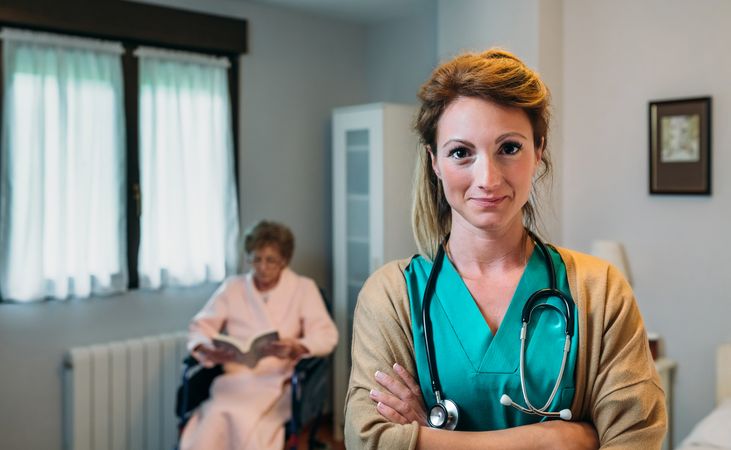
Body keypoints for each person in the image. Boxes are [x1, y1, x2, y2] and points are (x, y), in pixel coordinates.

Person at [344, 49, 666, 449]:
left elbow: (635, 439)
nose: (487, 178)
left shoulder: (599, 291)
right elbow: (368, 440)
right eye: (461, 152)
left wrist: (426, 437)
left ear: (538, 152)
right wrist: (555, 439)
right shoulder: (392, 295)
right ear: (434, 162)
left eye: (509, 148)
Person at [180, 220, 338, 450]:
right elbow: (199, 328)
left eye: (270, 260)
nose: (262, 267)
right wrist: (206, 347)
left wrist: (298, 346)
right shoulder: (232, 287)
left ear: (284, 260)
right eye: (256, 259)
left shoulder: (303, 288)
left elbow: (326, 335)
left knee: (248, 422)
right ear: (248, 258)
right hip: (235, 379)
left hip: (278, 382)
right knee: (213, 418)